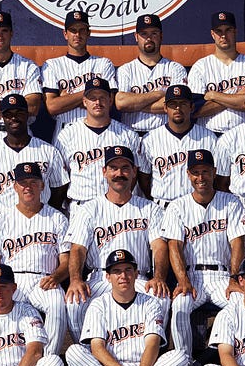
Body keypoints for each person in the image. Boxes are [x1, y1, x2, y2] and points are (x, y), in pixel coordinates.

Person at [64, 146, 169, 341]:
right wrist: (76, 279)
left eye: (125, 168)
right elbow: (78, 249)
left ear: (134, 172)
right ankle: (89, 357)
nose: (119, 173)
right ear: (104, 172)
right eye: (113, 168)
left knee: (160, 295)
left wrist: (159, 277)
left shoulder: (150, 209)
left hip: (136, 277)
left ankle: (147, 355)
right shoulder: (88, 209)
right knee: (74, 302)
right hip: (100, 278)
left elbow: (159, 247)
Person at [161, 150, 245, 366]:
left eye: (205, 172)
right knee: (181, 306)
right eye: (196, 173)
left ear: (214, 172)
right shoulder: (177, 206)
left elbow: (238, 242)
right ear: (188, 175)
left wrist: (234, 278)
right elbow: (174, 245)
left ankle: (233, 360)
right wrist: (182, 280)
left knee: (241, 304)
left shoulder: (231, 202)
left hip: (222, 275)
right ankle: (184, 365)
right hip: (193, 276)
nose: (200, 178)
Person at [66, 248, 189, 366]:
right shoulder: (98, 305)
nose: (123, 276)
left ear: (137, 274)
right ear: (108, 277)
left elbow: (153, 345)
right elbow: (97, 348)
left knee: (181, 357)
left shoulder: (150, 303)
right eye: (117, 271)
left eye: (128, 270)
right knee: (73, 353)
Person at [0, 162, 70, 355]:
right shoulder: (0, 220)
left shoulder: (58, 218)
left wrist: (56, 277)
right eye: (23, 183)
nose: (28, 187)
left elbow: (66, 262)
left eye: (33, 182)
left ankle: (47, 363)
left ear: (42, 185)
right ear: (15, 186)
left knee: (57, 305)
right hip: (11, 280)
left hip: (45, 280)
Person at [0, 93, 67, 217]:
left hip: (41, 218)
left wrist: (43, 211)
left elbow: (59, 188)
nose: (14, 118)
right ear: (2, 117)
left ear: (27, 115)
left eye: (19, 113)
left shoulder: (48, 151)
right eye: (8, 114)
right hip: (2, 219)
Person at [56, 75, 144, 204]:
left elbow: (134, 175)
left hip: (117, 205)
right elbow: (61, 180)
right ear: (85, 101)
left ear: (110, 100)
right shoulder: (67, 135)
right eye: (93, 98)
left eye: (102, 97)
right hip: (81, 204)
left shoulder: (128, 135)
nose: (98, 102)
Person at [187, 10, 245, 136]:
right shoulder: (200, 67)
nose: (223, 35)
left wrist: (213, 95)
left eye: (228, 30)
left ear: (235, 31)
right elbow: (196, 110)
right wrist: (237, 97)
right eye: (219, 31)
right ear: (212, 34)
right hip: (209, 135)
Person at [42, 10, 118, 137]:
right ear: (65, 34)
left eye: (82, 30)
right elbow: (52, 107)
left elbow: (108, 104)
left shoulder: (104, 64)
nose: (78, 34)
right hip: (65, 131)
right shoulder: (52, 65)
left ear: (88, 33)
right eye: (73, 30)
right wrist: (92, 93)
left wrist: (65, 99)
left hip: (98, 130)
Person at [139, 84, 218, 206]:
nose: (178, 108)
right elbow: (144, 178)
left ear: (192, 107)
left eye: (183, 103)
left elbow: (216, 177)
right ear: (165, 107)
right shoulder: (150, 139)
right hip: (162, 207)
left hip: (196, 207)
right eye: (172, 104)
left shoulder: (209, 138)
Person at [114, 13, 189, 137]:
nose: (149, 38)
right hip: (132, 134)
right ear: (136, 37)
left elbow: (176, 105)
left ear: (161, 36)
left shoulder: (175, 68)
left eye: (153, 33)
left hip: (166, 135)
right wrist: (159, 94)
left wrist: (135, 104)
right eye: (144, 34)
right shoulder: (126, 69)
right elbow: (122, 103)